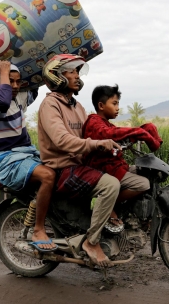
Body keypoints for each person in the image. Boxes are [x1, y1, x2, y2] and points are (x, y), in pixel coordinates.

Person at [37, 54, 121, 268]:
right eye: (71, 71)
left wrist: (120, 137)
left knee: (123, 176)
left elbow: (91, 131)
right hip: (63, 168)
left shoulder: (76, 106)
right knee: (111, 185)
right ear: (56, 76)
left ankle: (111, 228)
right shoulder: (50, 105)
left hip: (78, 166)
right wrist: (95, 144)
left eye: (77, 72)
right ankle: (92, 243)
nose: (76, 76)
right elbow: (62, 140)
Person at [0, 60, 57, 252]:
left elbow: (36, 87)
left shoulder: (18, 97)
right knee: (48, 176)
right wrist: (4, 71)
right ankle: (38, 229)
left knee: (65, 166)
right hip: (7, 159)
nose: (15, 86)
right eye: (10, 81)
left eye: (18, 82)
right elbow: (2, 103)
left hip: (26, 154)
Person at [82, 84, 163, 230]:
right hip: (102, 170)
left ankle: (140, 215)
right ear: (101, 105)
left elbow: (119, 134)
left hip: (115, 168)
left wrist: (145, 130)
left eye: (118, 103)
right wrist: (138, 132)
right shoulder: (94, 123)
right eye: (114, 103)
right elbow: (108, 134)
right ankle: (108, 206)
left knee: (148, 174)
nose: (118, 107)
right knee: (143, 184)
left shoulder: (105, 123)